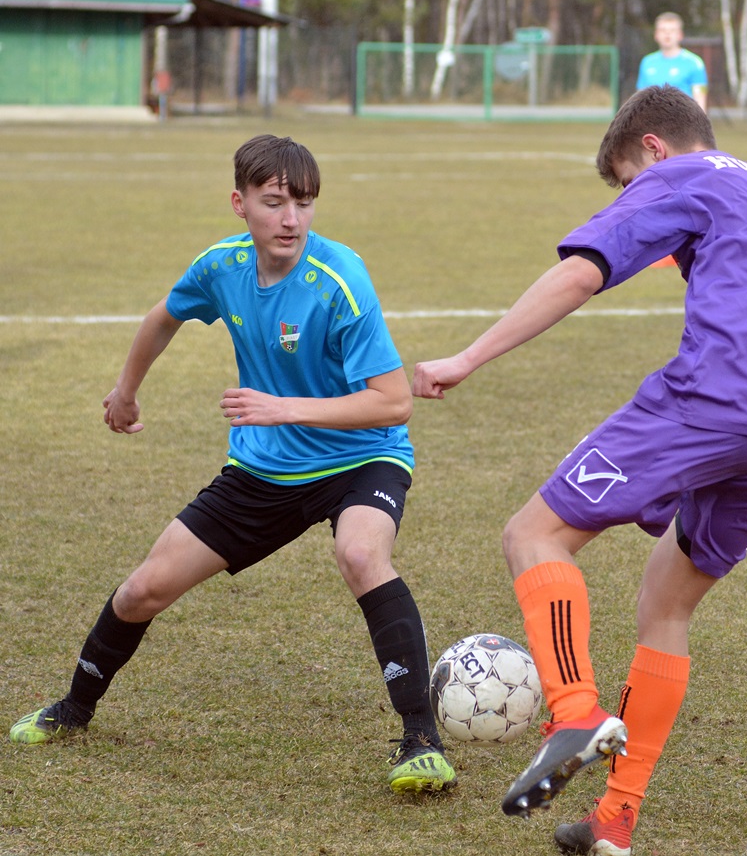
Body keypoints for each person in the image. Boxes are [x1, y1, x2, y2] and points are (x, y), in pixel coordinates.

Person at [412, 85, 747, 855]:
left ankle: (573, 710)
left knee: (534, 533)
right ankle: (615, 819)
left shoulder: (684, 175)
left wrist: (468, 356)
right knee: (666, 601)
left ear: (653, 148)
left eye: (626, 182)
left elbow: (581, 273)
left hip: (718, 394)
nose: (632, 198)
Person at [8, 134, 456, 797]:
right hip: (264, 470)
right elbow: (164, 316)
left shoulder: (339, 277)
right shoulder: (222, 267)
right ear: (239, 203)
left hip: (362, 456)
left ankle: (421, 739)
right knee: (142, 590)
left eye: (303, 204)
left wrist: (284, 408)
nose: (291, 220)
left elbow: (392, 403)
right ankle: (74, 707)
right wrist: (126, 390)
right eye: (274, 202)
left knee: (362, 553)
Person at [636, 12, 708, 110]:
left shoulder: (694, 63)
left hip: (682, 123)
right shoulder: (647, 62)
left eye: (672, 30)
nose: (667, 33)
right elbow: (639, 102)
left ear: (680, 35)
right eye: (663, 30)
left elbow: (700, 104)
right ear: (656, 35)